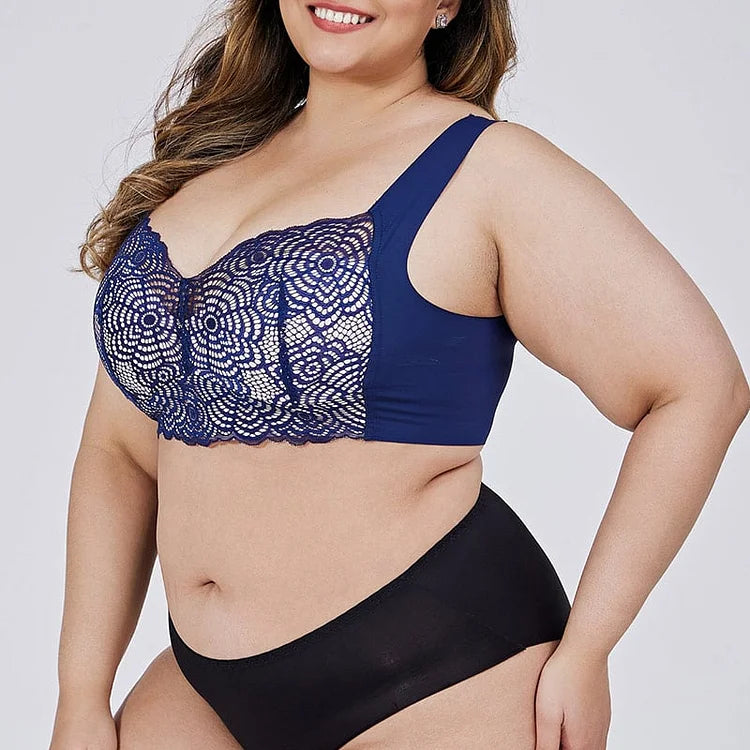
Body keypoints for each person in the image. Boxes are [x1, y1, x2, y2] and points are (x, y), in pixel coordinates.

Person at [50, 1, 749, 749]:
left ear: (447, 4)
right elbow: (119, 453)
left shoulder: (490, 170)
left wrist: (590, 647)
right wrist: (81, 692)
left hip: (440, 675)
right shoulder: (202, 170)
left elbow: (701, 386)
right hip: (201, 689)